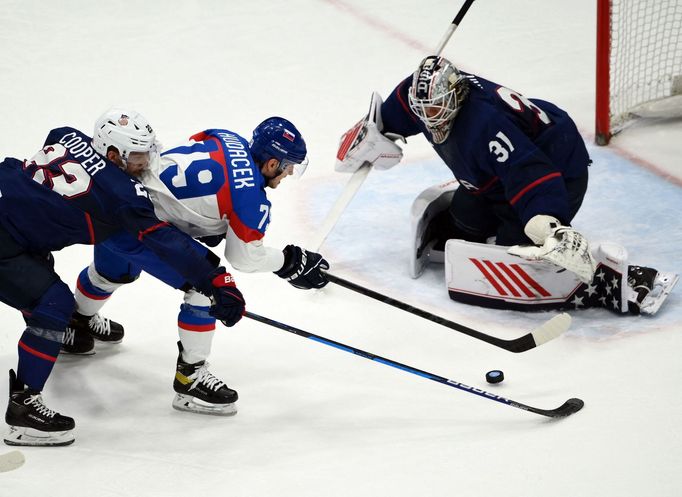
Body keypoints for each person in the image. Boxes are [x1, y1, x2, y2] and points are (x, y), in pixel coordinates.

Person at [335, 55, 677, 315]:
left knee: (519, 254)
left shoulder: (485, 125)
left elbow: (530, 172)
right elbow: (396, 113)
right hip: (501, 172)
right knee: (462, 224)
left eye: (438, 107)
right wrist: (371, 134)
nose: (430, 117)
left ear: (456, 94)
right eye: (424, 108)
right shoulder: (421, 98)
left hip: (556, 169)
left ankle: (609, 282)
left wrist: (547, 224)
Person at [0, 115, 246, 446]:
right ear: (113, 155)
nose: (146, 162)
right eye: (138, 156)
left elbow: (53, 143)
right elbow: (162, 241)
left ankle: (69, 333)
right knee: (52, 305)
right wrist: (214, 278)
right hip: (6, 243)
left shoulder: (69, 136)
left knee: (43, 299)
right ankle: (23, 411)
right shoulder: (121, 197)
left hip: (13, 223)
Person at [67, 111, 329, 416]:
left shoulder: (224, 135)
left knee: (110, 272)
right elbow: (244, 257)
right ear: (271, 163)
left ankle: (75, 324)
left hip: (113, 198)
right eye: (287, 169)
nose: (285, 176)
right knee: (204, 288)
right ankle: (190, 379)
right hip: (142, 225)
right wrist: (289, 261)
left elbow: (190, 154)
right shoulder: (251, 200)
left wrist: (201, 220)